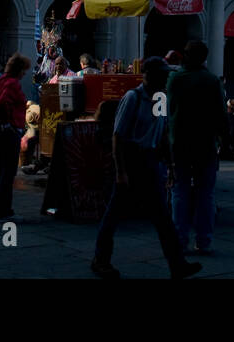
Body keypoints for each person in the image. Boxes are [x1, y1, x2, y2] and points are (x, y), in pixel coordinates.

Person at [90, 57, 201, 280]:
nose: (164, 79)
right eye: (161, 74)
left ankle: (177, 265)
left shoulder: (160, 99)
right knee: (113, 215)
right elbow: (118, 136)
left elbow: (162, 134)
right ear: (147, 75)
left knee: (162, 218)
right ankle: (100, 261)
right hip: (130, 159)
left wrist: (169, 164)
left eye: (165, 75)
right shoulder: (132, 98)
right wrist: (121, 171)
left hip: (150, 161)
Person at [166, 39, 226, 254]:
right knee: (206, 194)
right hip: (205, 143)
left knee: (179, 192)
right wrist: (223, 137)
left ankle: (180, 239)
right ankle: (204, 240)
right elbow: (221, 113)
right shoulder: (211, 80)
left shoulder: (175, 79)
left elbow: (168, 111)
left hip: (179, 143)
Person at [0, 54, 30, 222]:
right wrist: (8, 124)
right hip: (6, 131)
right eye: (24, 70)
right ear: (18, 70)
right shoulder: (12, 84)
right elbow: (4, 103)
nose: (25, 74)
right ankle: (4, 211)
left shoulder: (0, 81)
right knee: (8, 171)